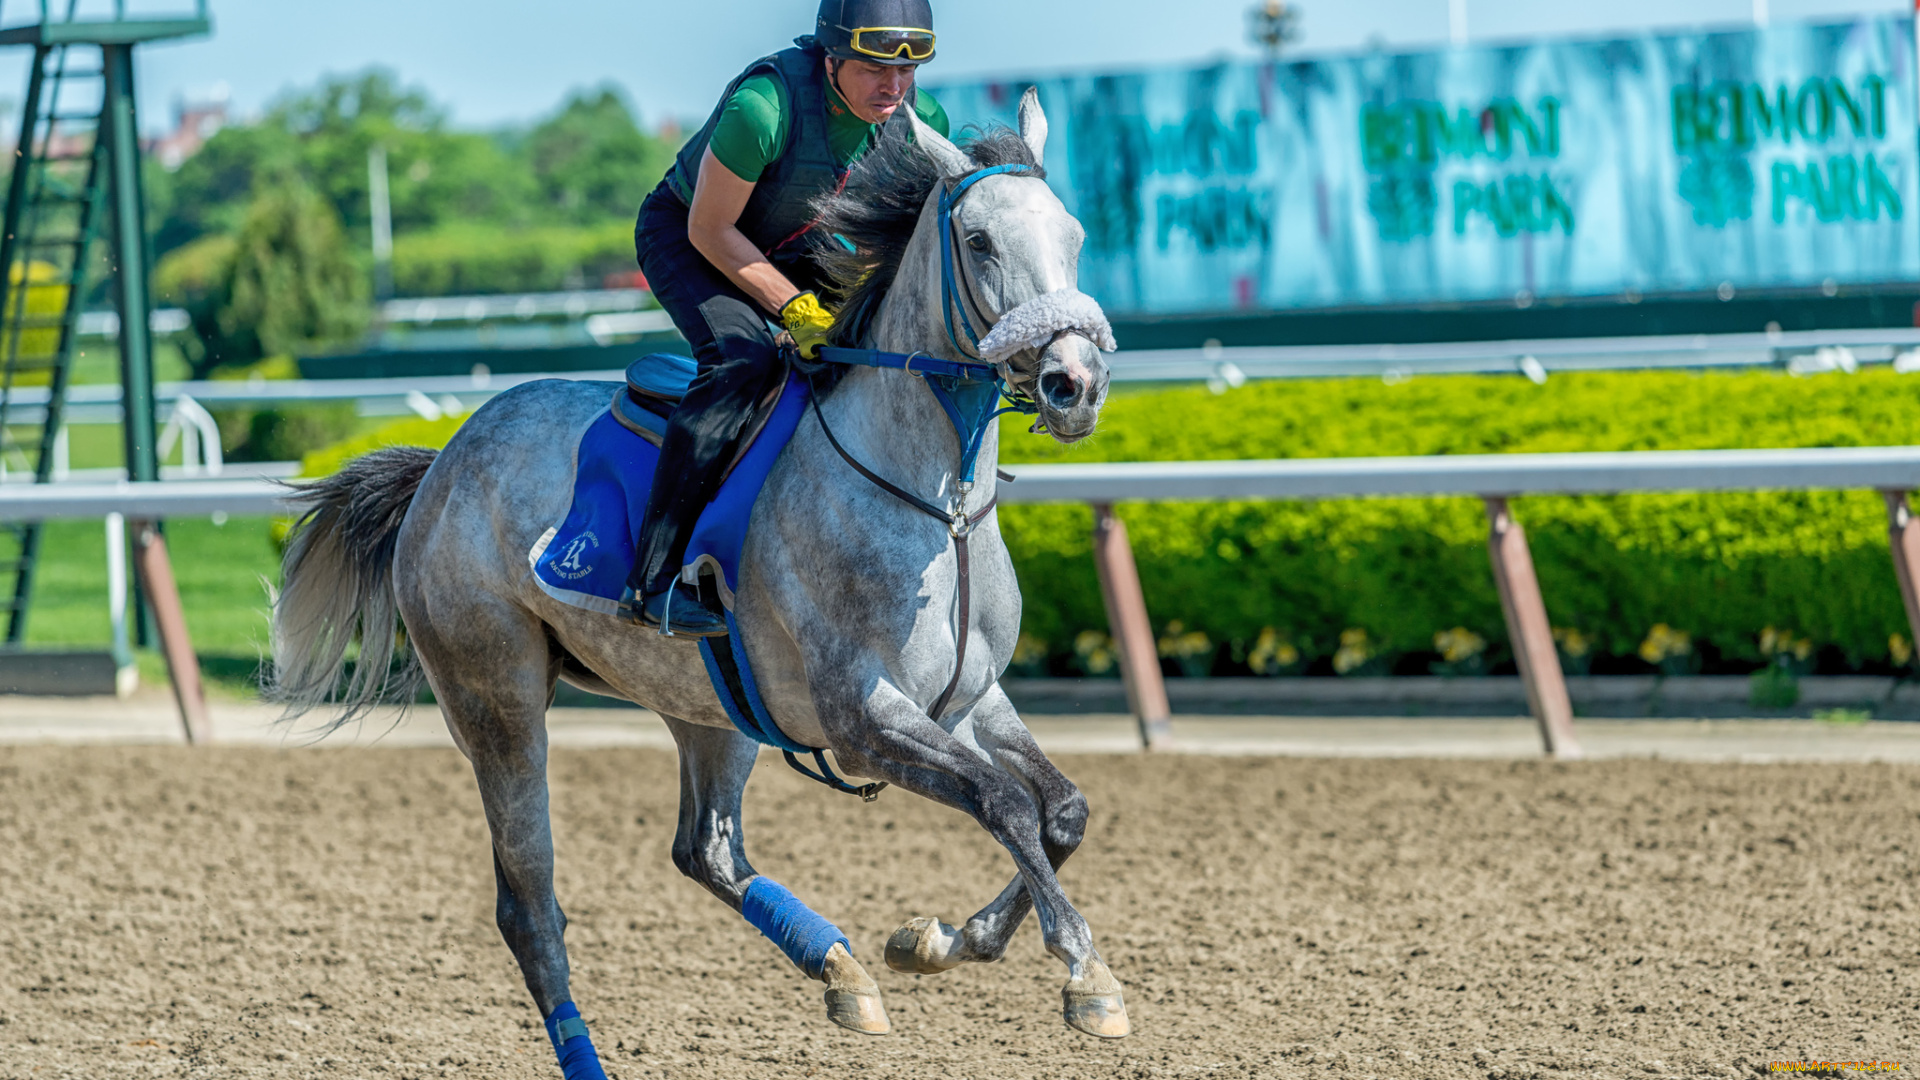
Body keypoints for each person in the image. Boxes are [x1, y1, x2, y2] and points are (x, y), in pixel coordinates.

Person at [621, 0, 950, 636]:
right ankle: (654, 581)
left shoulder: (921, 123)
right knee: (742, 364)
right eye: (874, 69)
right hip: (690, 236)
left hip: (797, 246)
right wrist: (795, 309)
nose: (894, 87)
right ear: (831, 61)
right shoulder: (762, 107)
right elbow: (710, 230)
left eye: (907, 72)